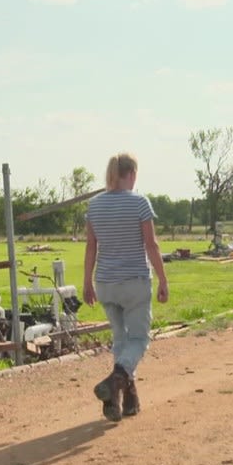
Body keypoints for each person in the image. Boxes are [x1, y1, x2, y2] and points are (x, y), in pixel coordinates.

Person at [83, 152, 169, 423]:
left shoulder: (94, 205)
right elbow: (151, 245)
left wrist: (87, 281)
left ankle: (123, 401)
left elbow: (91, 247)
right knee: (139, 339)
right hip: (134, 282)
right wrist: (163, 279)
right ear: (131, 174)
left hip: (106, 282)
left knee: (121, 340)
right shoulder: (140, 203)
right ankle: (117, 378)